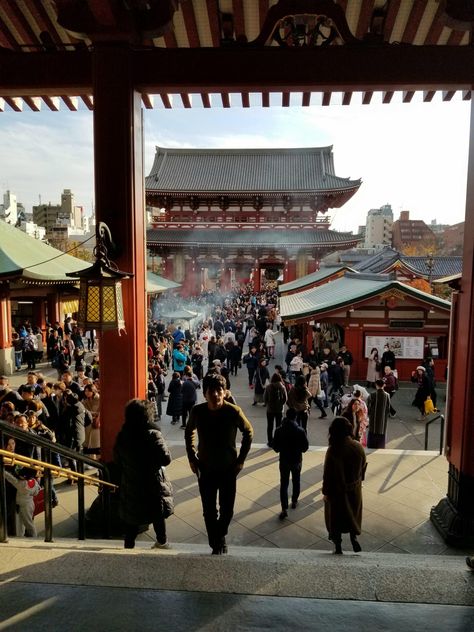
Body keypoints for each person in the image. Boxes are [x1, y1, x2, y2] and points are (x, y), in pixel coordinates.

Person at [185, 373, 253, 555]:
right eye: (211, 391)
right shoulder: (197, 412)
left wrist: (241, 460)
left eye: (218, 390)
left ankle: (218, 536)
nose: (215, 394)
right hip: (205, 467)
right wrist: (192, 457)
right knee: (208, 510)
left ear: (224, 392)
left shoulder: (233, 411)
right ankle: (216, 543)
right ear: (204, 393)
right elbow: (189, 431)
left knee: (227, 510)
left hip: (228, 469)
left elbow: (249, 432)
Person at [114, 399, 173, 549]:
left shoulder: (123, 435)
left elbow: (117, 460)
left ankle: (129, 546)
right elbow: (166, 459)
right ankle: (162, 542)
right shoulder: (153, 434)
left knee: (131, 517)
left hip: (131, 482)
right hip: (152, 482)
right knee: (157, 514)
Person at [322, 416, 367, 554]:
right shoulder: (358, 447)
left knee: (336, 519)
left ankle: (338, 546)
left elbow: (328, 473)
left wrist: (326, 492)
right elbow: (363, 468)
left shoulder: (333, 450)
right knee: (353, 514)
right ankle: (354, 538)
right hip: (354, 489)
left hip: (337, 492)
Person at [272, 408, 309, 520]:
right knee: (296, 480)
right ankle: (294, 500)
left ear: (286, 416)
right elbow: (305, 447)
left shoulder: (279, 430)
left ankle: (284, 508)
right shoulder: (300, 430)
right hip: (296, 459)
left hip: (284, 460)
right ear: (295, 417)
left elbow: (275, 447)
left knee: (284, 484)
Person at [4, 467, 41, 537]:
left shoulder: (22, 484)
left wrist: (3, 472)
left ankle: (31, 536)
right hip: (30, 504)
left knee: (23, 523)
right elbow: (36, 492)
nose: (19, 476)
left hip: (22, 505)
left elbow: (11, 479)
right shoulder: (34, 481)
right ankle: (29, 535)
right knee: (28, 521)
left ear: (24, 477)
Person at [263, 372, 287, 447]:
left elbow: (265, 398)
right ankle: (278, 441)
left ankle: (270, 441)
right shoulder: (282, 387)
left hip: (270, 409)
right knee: (278, 425)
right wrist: (281, 404)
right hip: (279, 409)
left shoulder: (268, 387)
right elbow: (285, 398)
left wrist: (268, 404)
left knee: (270, 426)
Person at [367, 379, 391, 448]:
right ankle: (381, 445)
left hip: (373, 419)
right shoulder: (387, 395)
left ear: (376, 385)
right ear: (384, 385)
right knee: (382, 431)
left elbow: (369, 407)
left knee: (372, 431)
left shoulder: (372, 395)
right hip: (382, 419)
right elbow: (388, 408)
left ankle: (371, 445)